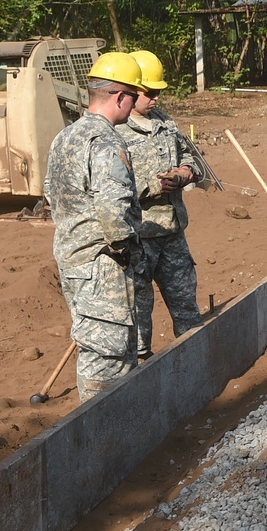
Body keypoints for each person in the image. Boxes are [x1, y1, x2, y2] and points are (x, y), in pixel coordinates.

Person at [44, 52, 146, 402]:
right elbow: (113, 211)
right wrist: (125, 250)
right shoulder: (105, 141)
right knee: (108, 358)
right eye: (133, 97)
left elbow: (50, 194)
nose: (134, 106)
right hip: (103, 266)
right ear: (120, 96)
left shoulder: (65, 137)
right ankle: (101, 443)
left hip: (73, 261)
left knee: (94, 343)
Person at [116, 50, 204, 359]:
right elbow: (110, 187)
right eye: (149, 92)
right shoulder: (115, 132)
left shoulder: (166, 123)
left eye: (159, 92)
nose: (156, 98)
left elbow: (193, 158)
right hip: (139, 238)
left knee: (186, 305)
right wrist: (153, 186)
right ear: (130, 90)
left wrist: (184, 173)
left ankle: (193, 358)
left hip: (173, 233)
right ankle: (142, 365)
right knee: (139, 313)